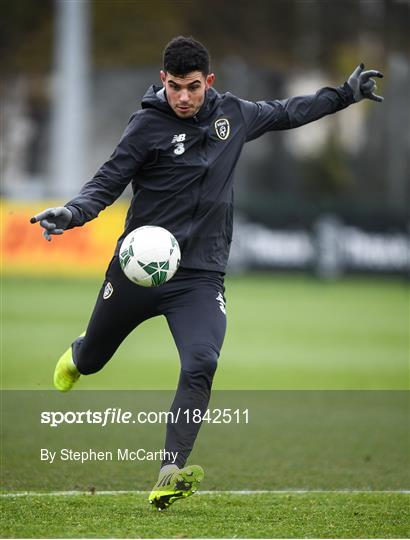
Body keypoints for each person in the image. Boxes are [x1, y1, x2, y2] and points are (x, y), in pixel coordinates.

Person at [30, 36, 383, 510]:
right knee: (93, 359)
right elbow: (106, 182)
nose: (182, 97)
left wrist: (345, 94)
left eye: (192, 87)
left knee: (202, 362)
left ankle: (169, 470)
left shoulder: (232, 115)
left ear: (208, 83)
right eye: (174, 86)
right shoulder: (145, 128)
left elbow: (289, 111)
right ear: (163, 81)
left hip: (198, 277)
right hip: (136, 273)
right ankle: (78, 354)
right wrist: (71, 214)